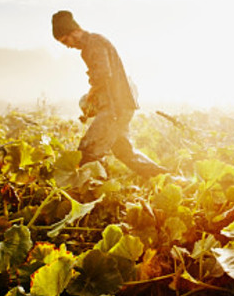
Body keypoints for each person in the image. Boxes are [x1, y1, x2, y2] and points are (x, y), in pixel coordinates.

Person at [52, 10, 167, 177]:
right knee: (126, 153)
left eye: (66, 40)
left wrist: (91, 94)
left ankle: (89, 195)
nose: (68, 45)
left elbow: (103, 74)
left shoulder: (94, 43)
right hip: (122, 106)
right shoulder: (92, 44)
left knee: (87, 152)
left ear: (75, 31)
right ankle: (170, 179)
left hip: (115, 107)